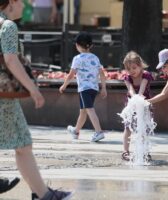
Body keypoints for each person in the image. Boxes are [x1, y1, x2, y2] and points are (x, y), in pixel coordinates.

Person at [0, 1, 72, 199]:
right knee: (23, 144)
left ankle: (41, 194)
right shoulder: (7, 26)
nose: (25, 6)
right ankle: (43, 195)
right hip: (4, 98)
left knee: (23, 145)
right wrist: (33, 89)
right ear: (12, 2)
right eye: (22, 1)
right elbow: (11, 59)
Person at [59, 32, 107, 142]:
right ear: (91, 46)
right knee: (83, 111)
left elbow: (71, 75)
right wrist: (103, 88)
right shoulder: (95, 58)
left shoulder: (77, 58)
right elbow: (102, 74)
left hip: (84, 89)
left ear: (77, 45)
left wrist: (64, 85)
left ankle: (99, 132)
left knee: (89, 109)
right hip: (93, 89)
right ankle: (76, 131)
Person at [121, 51, 154, 161]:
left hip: (144, 104)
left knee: (145, 128)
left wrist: (138, 99)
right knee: (128, 127)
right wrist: (134, 100)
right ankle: (125, 151)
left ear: (140, 65)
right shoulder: (127, 77)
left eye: (134, 68)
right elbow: (130, 89)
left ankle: (145, 151)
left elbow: (142, 89)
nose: (131, 71)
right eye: (128, 69)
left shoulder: (146, 75)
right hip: (131, 105)